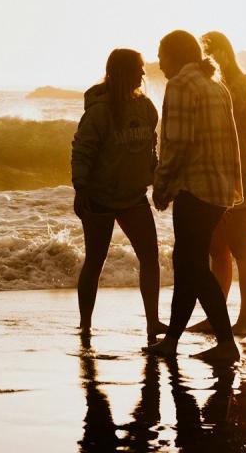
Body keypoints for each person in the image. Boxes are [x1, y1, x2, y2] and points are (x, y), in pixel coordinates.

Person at [142, 30, 243, 363]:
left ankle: (227, 344)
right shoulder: (216, 86)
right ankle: (171, 339)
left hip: (194, 188)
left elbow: (178, 144)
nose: (159, 64)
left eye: (162, 55)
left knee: (192, 265)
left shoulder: (181, 85)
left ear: (176, 55)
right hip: (218, 190)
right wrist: (234, 186)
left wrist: (162, 186)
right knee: (186, 263)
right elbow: (233, 142)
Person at [70, 48, 165, 337]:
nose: (143, 73)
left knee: (150, 256)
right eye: (138, 68)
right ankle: (85, 325)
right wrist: (80, 188)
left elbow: (152, 147)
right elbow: (81, 151)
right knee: (95, 261)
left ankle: (152, 322)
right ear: (123, 71)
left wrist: (156, 179)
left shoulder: (146, 107)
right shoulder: (99, 111)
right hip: (99, 196)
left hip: (134, 196)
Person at [188, 31, 246, 336]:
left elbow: (232, 124)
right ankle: (217, 316)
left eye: (210, 54)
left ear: (223, 53)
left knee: (242, 248)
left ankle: (245, 319)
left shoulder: (239, 84)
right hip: (214, 172)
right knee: (217, 249)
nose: (206, 60)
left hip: (238, 171)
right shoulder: (213, 85)